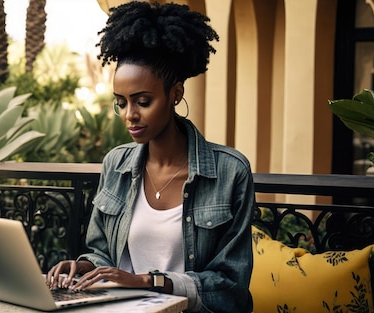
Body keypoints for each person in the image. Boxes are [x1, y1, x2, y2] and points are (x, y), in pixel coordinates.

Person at [45, 2, 255, 312]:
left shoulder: (230, 171)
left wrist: (149, 281)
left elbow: (231, 288)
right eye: (121, 103)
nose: (130, 115)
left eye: (143, 101)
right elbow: (102, 253)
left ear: (175, 94)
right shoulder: (115, 164)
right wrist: (85, 266)